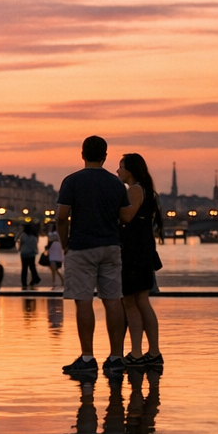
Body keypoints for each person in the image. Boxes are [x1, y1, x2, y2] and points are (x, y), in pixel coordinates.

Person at [57, 135, 131, 379]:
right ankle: (116, 357)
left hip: (82, 246)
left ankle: (87, 358)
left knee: (83, 300)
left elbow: (61, 216)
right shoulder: (116, 184)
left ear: (82, 154)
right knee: (113, 299)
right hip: (110, 245)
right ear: (105, 156)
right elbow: (123, 217)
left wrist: (65, 243)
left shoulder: (72, 181)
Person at [117, 153, 163, 366]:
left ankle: (139, 352)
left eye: (121, 166)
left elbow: (127, 217)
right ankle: (150, 352)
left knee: (132, 302)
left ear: (130, 170)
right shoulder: (145, 190)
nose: (117, 171)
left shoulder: (134, 190)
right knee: (140, 301)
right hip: (143, 250)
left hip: (134, 253)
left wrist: (110, 206)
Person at [18, 222, 41, 288]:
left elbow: (21, 243)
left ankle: (24, 282)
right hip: (32, 253)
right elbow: (35, 245)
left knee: (24, 268)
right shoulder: (34, 237)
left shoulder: (23, 235)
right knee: (32, 267)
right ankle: (35, 279)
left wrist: (20, 249)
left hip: (24, 253)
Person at [45, 224, 64, 288]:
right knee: (54, 269)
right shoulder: (59, 235)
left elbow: (49, 237)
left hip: (53, 252)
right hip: (57, 251)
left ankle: (55, 281)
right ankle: (59, 281)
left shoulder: (52, 235)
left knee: (54, 269)